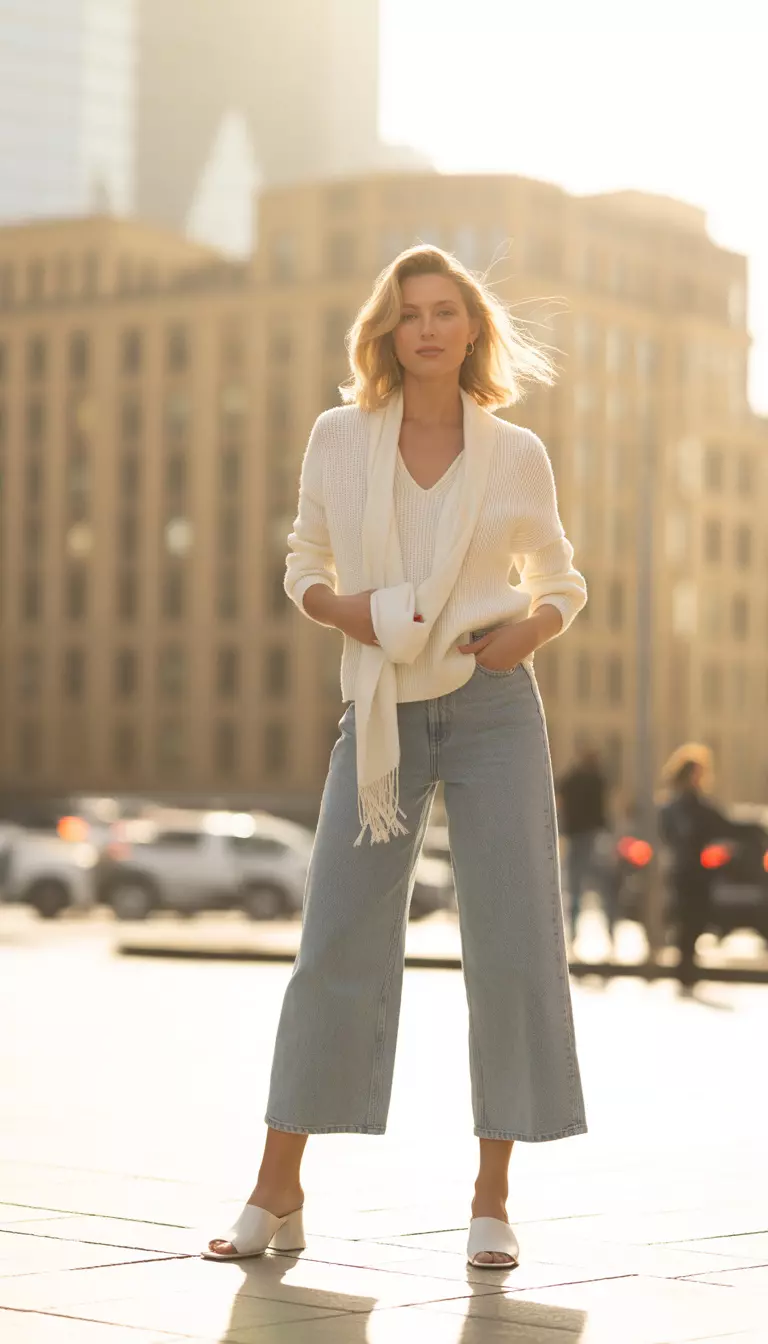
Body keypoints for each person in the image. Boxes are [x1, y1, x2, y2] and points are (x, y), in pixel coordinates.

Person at [204, 244, 589, 1269]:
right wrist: (352, 613)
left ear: (472, 331)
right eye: (410, 312)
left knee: (510, 944)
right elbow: (303, 563)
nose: (427, 328)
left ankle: (492, 1194)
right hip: (379, 704)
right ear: (388, 329)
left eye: (446, 312)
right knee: (335, 936)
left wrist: (528, 634)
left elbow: (561, 578)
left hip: (495, 703)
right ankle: (276, 1185)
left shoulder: (514, 453)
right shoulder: (340, 437)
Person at [656, 743, 734, 993]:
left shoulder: (694, 803)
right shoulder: (679, 805)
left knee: (695, 919)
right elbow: (679, 834)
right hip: (687, 870)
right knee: (688, 919)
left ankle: (686, 968)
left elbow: (720, 826)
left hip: (696, 871)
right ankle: (685, 970)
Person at [555, 747, 611, 946]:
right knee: (604, 888)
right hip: (593, 836)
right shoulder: (597, 779)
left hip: (578, 836)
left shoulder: (572, 779)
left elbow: (560, 802)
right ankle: (608, 933)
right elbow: (603, 810)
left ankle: (573, 934)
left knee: (575, 887)